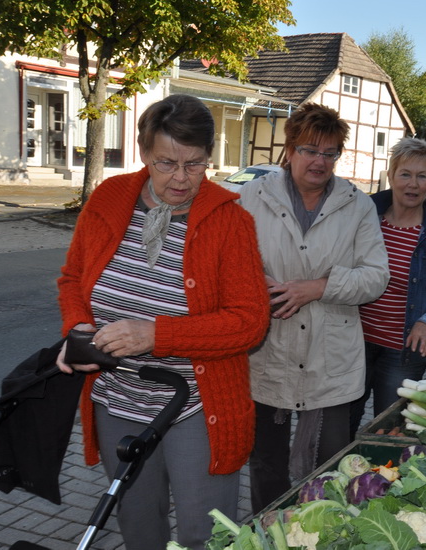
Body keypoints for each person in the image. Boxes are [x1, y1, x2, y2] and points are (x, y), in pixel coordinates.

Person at [56, 94, 270, 550]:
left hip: (195, 405)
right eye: (166, 162)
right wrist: (77, 330)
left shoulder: (231, 222)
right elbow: (73, 278)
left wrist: (156, 335)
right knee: (138, 525)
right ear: (143, 152)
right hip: (117, 400)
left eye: (194, 164)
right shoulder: (110, 199)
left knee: (202, 533)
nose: (180, 178)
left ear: (209, 157)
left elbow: (250, 322)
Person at [238, 102, 390, 514]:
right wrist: (254, 283)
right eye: (309, 149)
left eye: (330, 152)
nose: (319, 161)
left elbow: (377, 276)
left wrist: (319, 287)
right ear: (289, 150)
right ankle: (267, 533)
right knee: (266, 465)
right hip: (270, 353)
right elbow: (228, 262)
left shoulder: (357, 206)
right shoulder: (252, 196)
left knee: (331, 468)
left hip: (332, 361)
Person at [349, 137, 426, 438]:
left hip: (403, 352)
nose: (413, 184)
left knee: (388, 430)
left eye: (422, 175)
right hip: (351, 343)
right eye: (405, 174)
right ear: (391, 176)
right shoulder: (363, 215)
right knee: (340, 425)